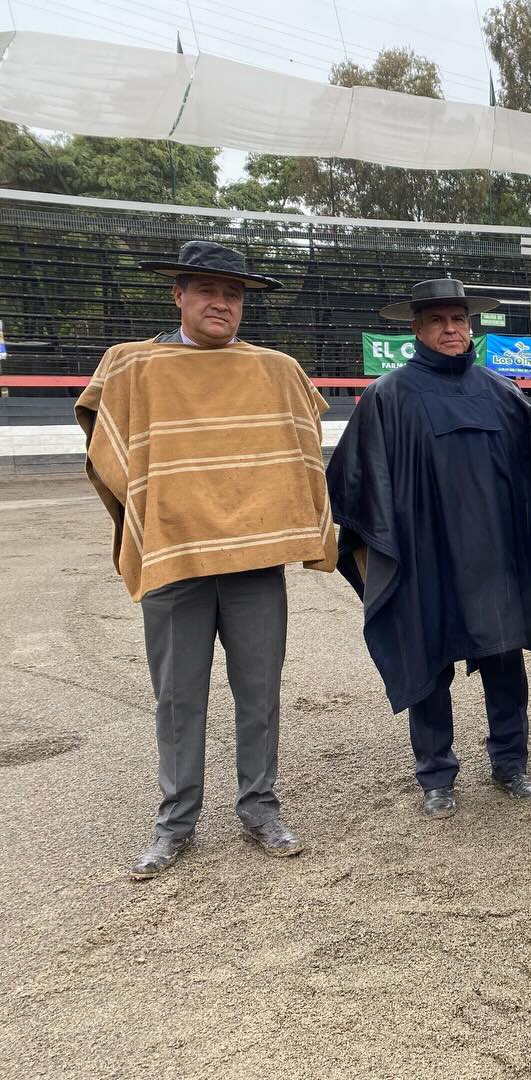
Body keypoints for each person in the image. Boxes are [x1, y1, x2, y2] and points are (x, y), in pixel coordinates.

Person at [75, 241, 337, 880]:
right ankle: (176, 823)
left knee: (260, 689)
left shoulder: (274, 371)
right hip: (173, 557)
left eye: (234, 294)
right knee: (177, 695)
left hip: (253, 564)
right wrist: (154, 515)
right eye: (208, 291)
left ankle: (260, 808)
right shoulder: (135, 368)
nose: (222, 303)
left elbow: (299, 453)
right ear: (179, 296)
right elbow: (109, 453)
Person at [327, 279, 531, 818]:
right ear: (418, 329)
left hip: (493, 556)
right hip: (424, 555)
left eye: (459, 319)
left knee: (504, 658)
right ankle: (435, 775)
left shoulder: (500, 392)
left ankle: (511, 763)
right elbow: (356, 480)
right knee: (427, 663)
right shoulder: (389, 396)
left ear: (471, 326)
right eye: (438, 321)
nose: (452, 329)